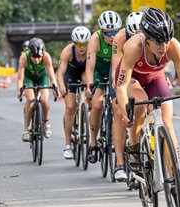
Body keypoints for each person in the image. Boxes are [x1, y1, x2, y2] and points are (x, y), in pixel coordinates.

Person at [116, 7, 180, 207]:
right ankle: (134, 146)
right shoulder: (134, 46)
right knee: (140, 105)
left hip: (155, 78)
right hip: (132, 79)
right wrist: (126, 111)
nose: (163, 47)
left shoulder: (173, 46)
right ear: (147, 39)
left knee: (168, 126)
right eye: (159, 42)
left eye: (167, 40)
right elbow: (121, 86)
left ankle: (177, 185)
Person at [85, 10, 122, 164]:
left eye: (115, 32)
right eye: (108, 33)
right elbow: (89, 67)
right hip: (99, 72)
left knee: (118, 105)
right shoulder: (95, 39)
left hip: (115, 70)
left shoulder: (122, 38)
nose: (112, 36)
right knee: (97, 105)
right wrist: (89, 86)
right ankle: (93, 142)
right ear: (102, 31)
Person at [110, 11, 143, 181]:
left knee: (148, 103)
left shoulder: (149, 36)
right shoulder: (120, 38)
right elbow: (117, 64)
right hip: (123, 71)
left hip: (143, 72)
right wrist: (117, 88)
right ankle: (120, 163)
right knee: (118, 109)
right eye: (133, 35)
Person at [56, 26, 92, 159]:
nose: (82, 48)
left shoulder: (91, 50)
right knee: (70, 106)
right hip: (70, 74)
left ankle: (87, 114)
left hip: (84, 73)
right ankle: (67, 145)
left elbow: (91, 70)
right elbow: (60, 73)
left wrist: (89, 87)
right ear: (73, 42)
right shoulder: (67, 51)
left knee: (90, 90)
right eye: (78, 44)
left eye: (84, 44)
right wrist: (61, 87)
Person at [17, 38, 59, 142]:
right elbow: (20, 78)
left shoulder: (46, 57)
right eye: (33, 56)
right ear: (29, 53)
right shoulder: (24, 57)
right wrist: (20, 90)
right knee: (31, 99)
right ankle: (26, 130)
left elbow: (51, 75)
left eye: (39, 56)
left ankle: (46, 123)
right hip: (29, 77)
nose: (36, 59)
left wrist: (54, 87)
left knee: (44, 99)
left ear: (43, 54)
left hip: (42, 76)